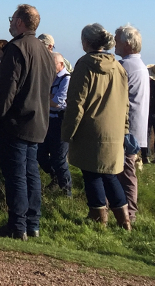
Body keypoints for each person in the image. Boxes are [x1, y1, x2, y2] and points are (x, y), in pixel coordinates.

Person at [0, 4, 53, 240]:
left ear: (21, 22)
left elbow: (7, 89)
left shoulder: (16, 49)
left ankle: (17, 225)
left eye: (12, 19)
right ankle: (32, 224)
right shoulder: (44, 51)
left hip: (15, 122)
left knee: (16, 174)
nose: (10, 23)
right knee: (30, 173)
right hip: (38, 121)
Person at [61, 24, 131, 231]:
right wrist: (125, 128)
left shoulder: (84, 65)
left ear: (86, 42)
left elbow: (76, 103)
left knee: (91, 174)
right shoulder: (118, 67)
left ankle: (98, 218)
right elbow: (126, 103)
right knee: (109, 175)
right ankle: (124, 221)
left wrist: (67, 132)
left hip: (91, 129)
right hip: (115, 130)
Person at [114, 25, 148, 223]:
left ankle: (129, 215)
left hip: (127, 128)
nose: (115, 44)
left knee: (125, 172)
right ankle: (125, 212)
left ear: (127, 43)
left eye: (117, 40)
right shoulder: (139, 66)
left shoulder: (125, 67)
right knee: (125, 171)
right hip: (135, 128)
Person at [37, 52, 73, 197]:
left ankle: (66, 191)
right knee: (40, 155)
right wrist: (49, 97)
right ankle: (56, 178)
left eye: (52, 65)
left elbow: (58, 102)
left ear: (61, 64)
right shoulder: (49, 77)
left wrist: (45, 97)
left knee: (59, 158)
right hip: (46, 120)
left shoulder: (67, 79)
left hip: (60, 122)